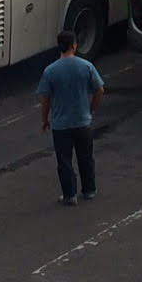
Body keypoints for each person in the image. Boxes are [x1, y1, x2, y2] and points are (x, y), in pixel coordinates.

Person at [37, 30, 103, 206]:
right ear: (74, 45)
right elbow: (99, 89)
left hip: (61, 125)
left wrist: (45, 119)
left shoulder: (50, 71)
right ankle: (89, 190)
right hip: (83, 121)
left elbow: (45, 99)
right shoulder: (86, 66)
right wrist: (91, 109)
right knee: (86, 157)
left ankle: (70, 195)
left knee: (64, 161)